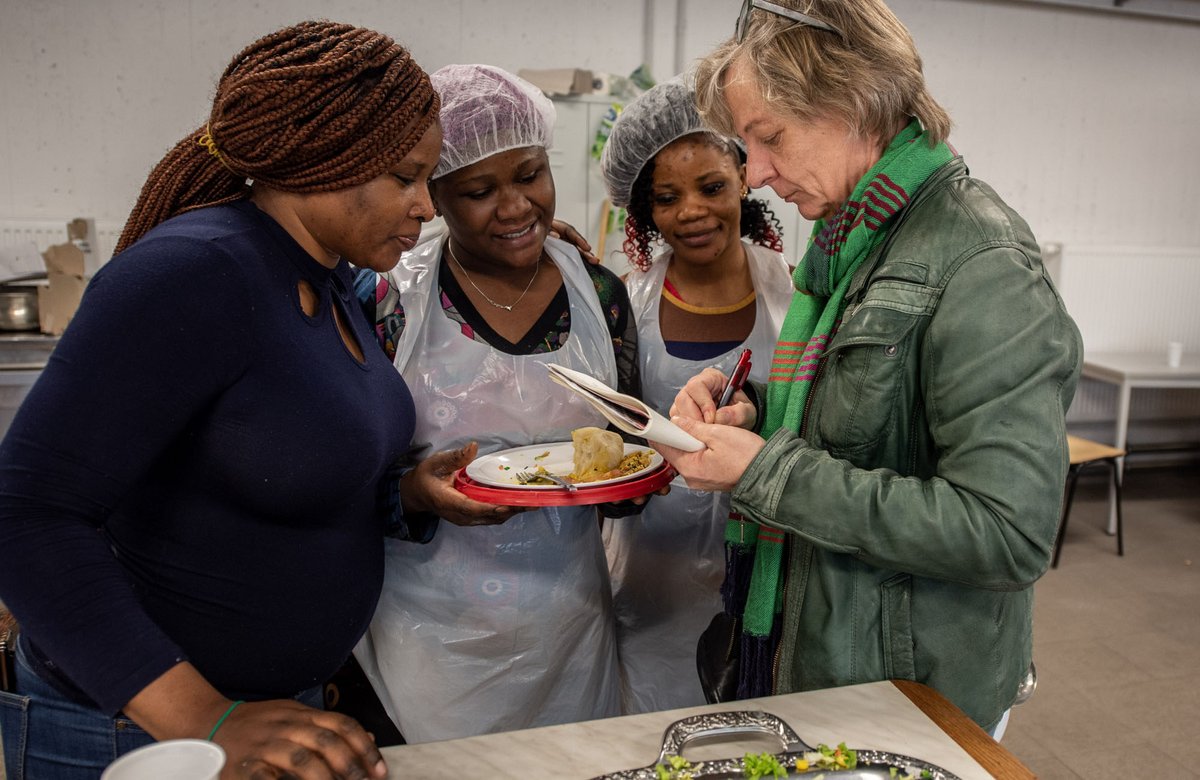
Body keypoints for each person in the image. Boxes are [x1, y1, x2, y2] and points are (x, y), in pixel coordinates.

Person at [0, 21, 505, 780]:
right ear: (321, 157)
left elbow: (273, 468)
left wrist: (407, 494)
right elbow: (26, 513)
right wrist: (206, 719)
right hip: (139, 733)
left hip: (266, 717)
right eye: (406, 177)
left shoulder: (331, 280)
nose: (426, 208)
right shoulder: (195, 273)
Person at [656, 0, 1083, 737]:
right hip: (836, 660)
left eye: (769, 138)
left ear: (852, 101)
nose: (754, 173)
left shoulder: (982, 264)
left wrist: (764, 473)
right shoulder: (855, 240)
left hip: (915, 689)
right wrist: (754, 407)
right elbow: (869, 411)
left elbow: (1007, 533)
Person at [352, 64, 640, 743]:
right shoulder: (391, 300)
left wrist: (650, 463)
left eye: (532, 174)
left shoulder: (597, 294)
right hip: (427, 639)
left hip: (569, 629)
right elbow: (341, 479)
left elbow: (629, 468)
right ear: (434, 196)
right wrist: (414, 494)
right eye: (479, 191)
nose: (516, 207)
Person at [597, 76, 792, 713]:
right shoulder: (628, 303)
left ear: (743, 174)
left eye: (711, 187)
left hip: (767, 554)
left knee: (756, 719)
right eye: (666, 197)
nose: (691, 212)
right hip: (656, 566)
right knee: (656, 725)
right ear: (644, 210)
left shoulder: (794, 295)